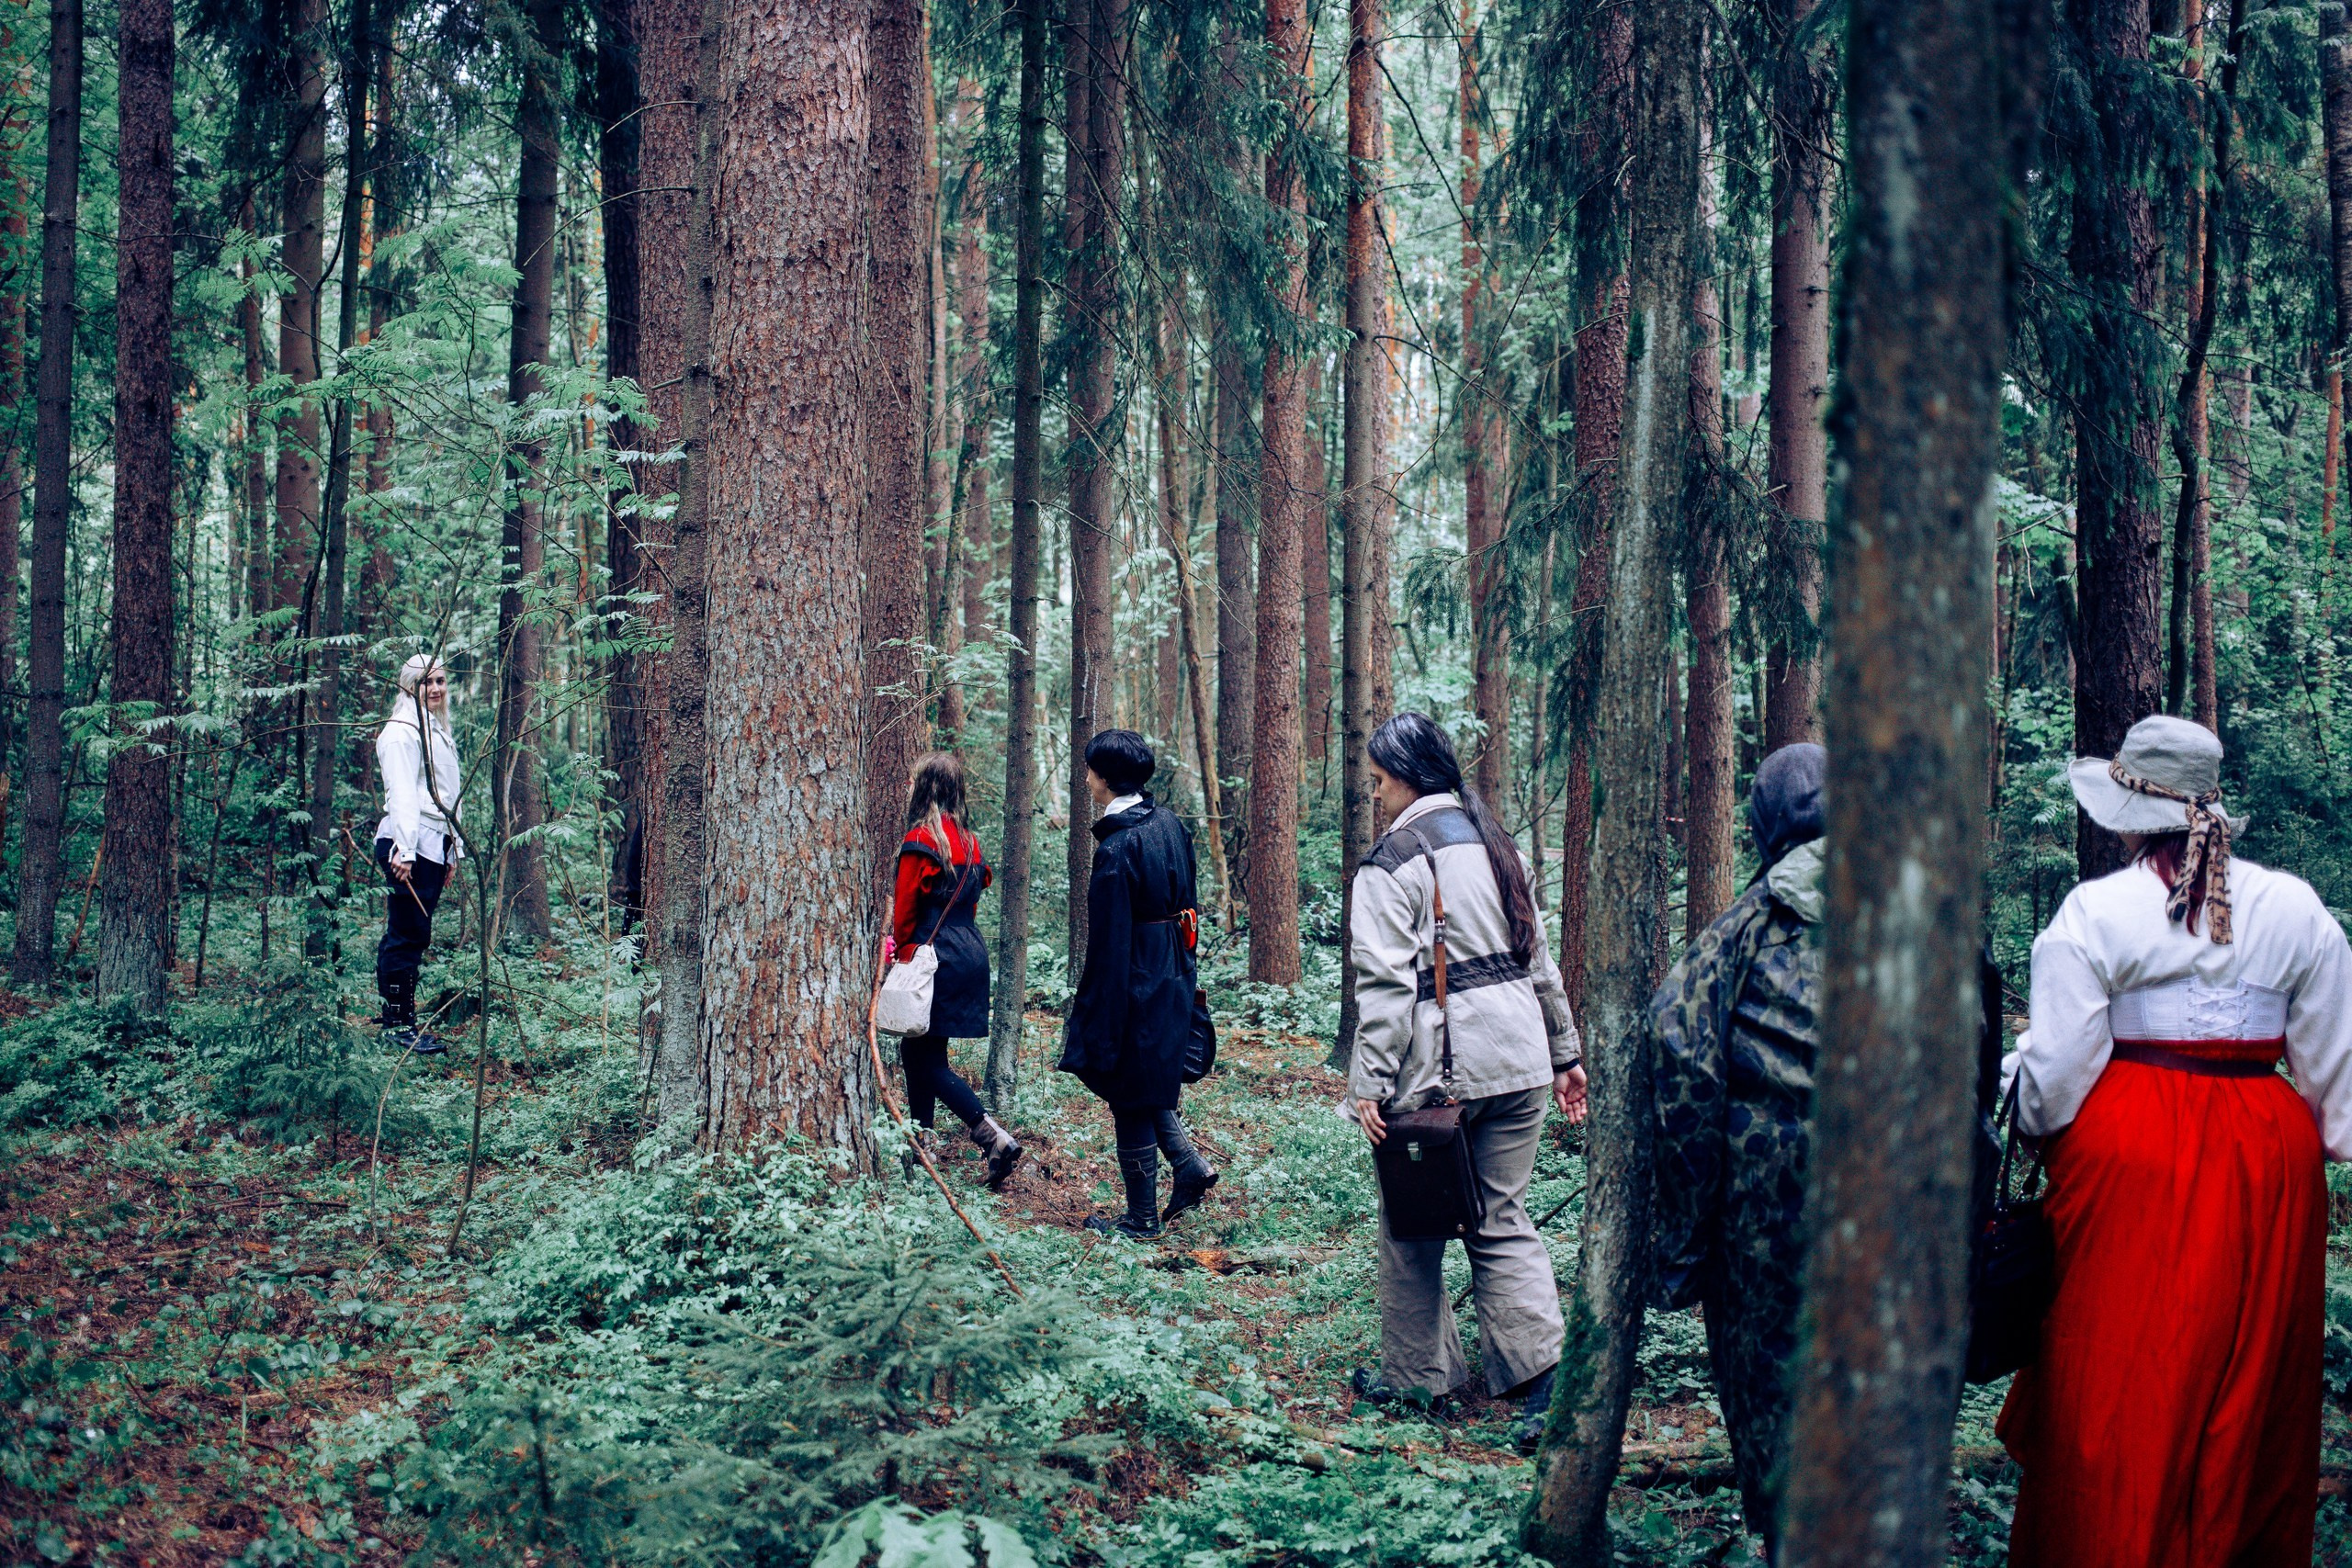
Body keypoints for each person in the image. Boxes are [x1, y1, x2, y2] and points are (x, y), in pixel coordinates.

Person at [1997, 715, 2352, 1567]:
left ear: (2128, 813)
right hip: (2269, 1167)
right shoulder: (2296, 908)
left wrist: (2020, 1100)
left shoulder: (2096, 912)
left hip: (2134, 1167)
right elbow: (2337, 1097)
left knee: (2121, 1383)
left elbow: (2055, 1084)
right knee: (2249, 1384)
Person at [1347, 713, 1585, 1452]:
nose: (1375, 789)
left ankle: (1419, 1377)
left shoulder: (1392, 861)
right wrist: (1564, 1052)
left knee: (1412, 1220)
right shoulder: (1499, 843)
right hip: (1519, 1061)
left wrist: (1368, 1082)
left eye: (1380, 777)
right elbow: (1537, 959)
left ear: (1408, 774)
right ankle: (1543, 1383)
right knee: (1502, 1215)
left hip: (1442, 1072)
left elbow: (1384, 985)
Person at [1649, 741, 1827, 1557]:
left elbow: (1682, 1068)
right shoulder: (1922, 914)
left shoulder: (1739, 934)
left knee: (1772, 1406)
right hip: (1905, 1213)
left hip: (1770, 1225)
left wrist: (1683, 1244)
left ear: (1760, 831)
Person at [1057, 728, 1218, 1239]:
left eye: (1090, 771)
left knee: (1128, 1088)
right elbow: (1190, 903)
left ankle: (1142, 1219)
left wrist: (1100, 1013)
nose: (1086, 779)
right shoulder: (1168, 822)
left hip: (1138, 979)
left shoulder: (1118, 847)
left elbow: (1109, 944)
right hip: (1170, 969)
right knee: (1146, 1080)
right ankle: (1187, 1165)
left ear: (1105, 778)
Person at [888, 751, 1022, 1188]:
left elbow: (906, 910)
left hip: (934, 952)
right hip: (969, 949)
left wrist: (903, 953)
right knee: (923, 1054)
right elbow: (972, 898)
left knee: (924, 1059)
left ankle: (991, 1135)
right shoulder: (968, 840)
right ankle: (919, 1151)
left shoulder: (921, 840)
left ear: (923, 786)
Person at [375, 654, 460, 1055]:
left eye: (441, 681)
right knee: (407, 935)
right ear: (410, 685)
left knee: (410, 933)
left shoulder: (434, 727)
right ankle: (397, 1028)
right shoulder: (401, 732)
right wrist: (405, 851)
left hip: (431, 844)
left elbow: (446, 793)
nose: (437, 689)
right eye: (427, 682)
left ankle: (396, 1017)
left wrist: (453, 849)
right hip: (407, 844)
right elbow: (403, 796)